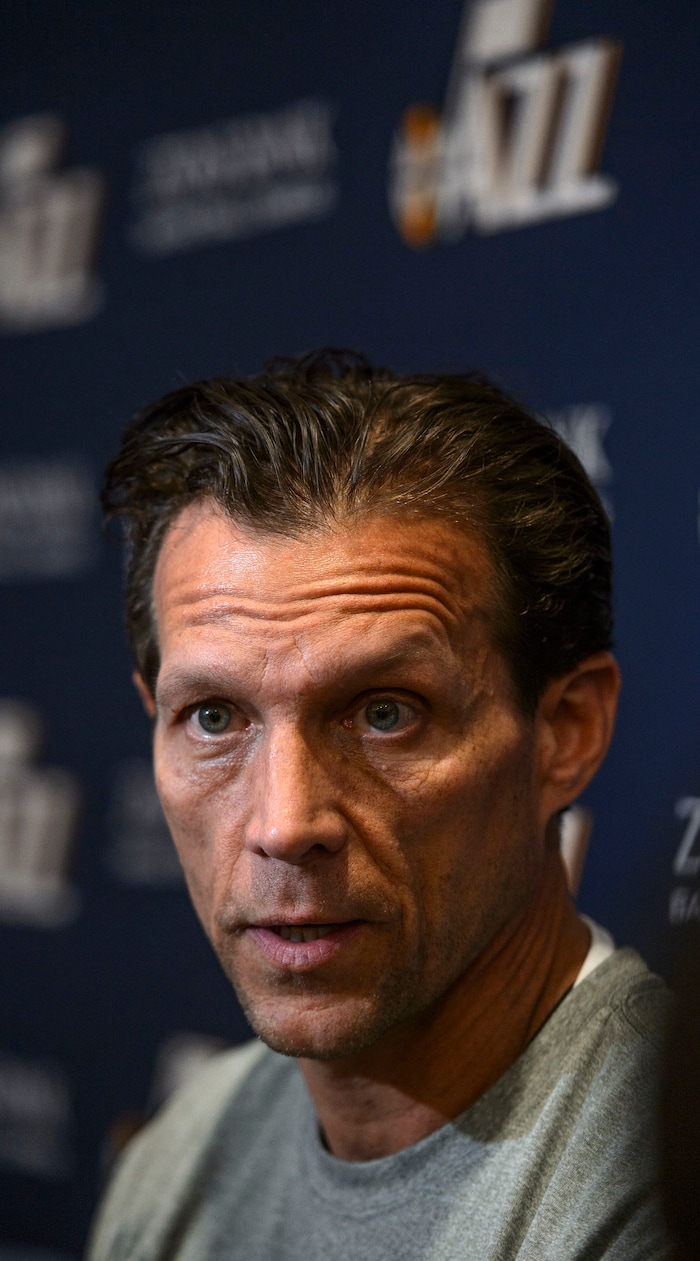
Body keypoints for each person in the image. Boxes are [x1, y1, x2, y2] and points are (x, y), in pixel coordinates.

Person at [88, 351, 671, 1260]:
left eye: (385, 714)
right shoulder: (180, 1155)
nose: (284, 824)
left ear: (565, 730)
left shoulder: (661, 1183)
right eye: (213, 717)